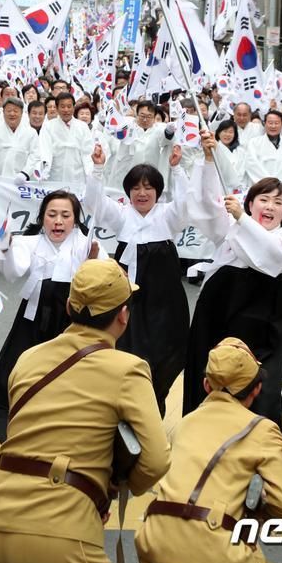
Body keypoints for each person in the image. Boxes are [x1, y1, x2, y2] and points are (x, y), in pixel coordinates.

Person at [0, 258, 171, 563]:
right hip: (61, 529)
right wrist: (112, 489)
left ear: (69, 307)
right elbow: (156, 460)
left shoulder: (28, 359)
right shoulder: (127, 369)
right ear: (124, 315)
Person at [136, 337, 282, 563]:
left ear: (206, 385)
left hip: (153, 542)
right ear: (257, 388)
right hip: (215, 553)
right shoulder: (262, 430)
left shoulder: (186, 423)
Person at [184, 148, 282, 430]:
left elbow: (274, 257)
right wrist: (209, 162)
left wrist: (242, 220)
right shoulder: (231, 225)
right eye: (263, 199)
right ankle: (202, 433)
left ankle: (260, 439)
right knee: (209, 371)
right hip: (219, 309)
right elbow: (206, 205)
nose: (270, 207)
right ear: (250, 203)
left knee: (263, 385)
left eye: (278, 202)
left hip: (266, 318)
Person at [0, 190, 106, 442]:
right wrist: (6, 246)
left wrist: (92, 263)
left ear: (75, 220)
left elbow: (104, 279)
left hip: (72, 318)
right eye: (52, 214)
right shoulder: (30, 241)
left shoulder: (86, 242)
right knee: (11, 365)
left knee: (72, 374)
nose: (58, 221)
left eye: (65, 215)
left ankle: (68, 433)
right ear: (42, 217)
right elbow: (13, 270)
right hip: (34, 313)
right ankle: (2, 434)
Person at [84, 142, 191, 415]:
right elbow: (94, 202)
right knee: (125, 349)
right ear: (128, 192)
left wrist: (177, 169)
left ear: (157, 191)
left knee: (166, 351)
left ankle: (155, 403)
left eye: (148, 188)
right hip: (128, 296)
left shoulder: (167, 217)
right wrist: (97, 168)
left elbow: (186, 202)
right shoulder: (121, 217)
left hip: (164, 300)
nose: (142, 193)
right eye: (135, 188)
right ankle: (126, 407)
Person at [39, 92, 95, 184]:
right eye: (62, 106)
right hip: (56, 173)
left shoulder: (83, 126)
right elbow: (45, 150)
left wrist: (90, 173)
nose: (66, 110)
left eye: (69, 106)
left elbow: (87, 152)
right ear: (57, 108)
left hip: (77, 174)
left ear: (74, 107)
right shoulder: (48, 126)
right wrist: (45, 170)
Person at [0, 96, 43, 181]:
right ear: (3, 112)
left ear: (22, 113)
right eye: (9, 111)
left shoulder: (31, 133)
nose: (12, 114)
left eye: (15, 111)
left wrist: (25, 173)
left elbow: (35, 156)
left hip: (21, 181)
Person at [242, 110, 282, 187]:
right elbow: (252, 165)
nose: (273, 126)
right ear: (264, 124)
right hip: (259, 186)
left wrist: (277, 184)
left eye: (276, 123)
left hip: (281, 187)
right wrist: (267, 184)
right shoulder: (254, 142)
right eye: (270, 123)